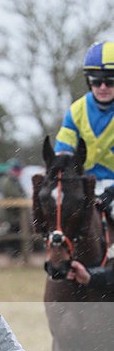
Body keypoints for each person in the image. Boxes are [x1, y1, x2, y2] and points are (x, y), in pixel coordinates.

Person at [55, 40, 114, 219]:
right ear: (89, 82)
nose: (103, 87)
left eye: (110, 81)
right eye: (96, 81)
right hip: (82, 184)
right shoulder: (76, 110)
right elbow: (62, 153)